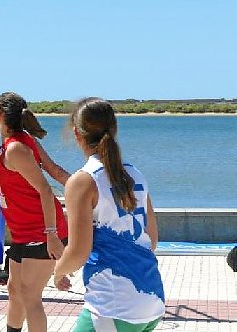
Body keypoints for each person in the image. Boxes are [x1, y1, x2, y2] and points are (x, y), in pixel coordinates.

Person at [53, 98, 165, 331]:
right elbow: (151, 240)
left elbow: (78, 252)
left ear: (77, 133)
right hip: (151, 298)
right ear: (114, 129)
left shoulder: (83, 181)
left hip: (112, 307)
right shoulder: (136, 175)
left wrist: (58, 271)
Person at [0, 92, 70, 332]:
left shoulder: (16, 148)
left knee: (30, 296)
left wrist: (52, 235)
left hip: (42, 230)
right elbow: (55, 170)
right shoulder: (20, 141)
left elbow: (46, 189)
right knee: (15, 290)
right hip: (22, 232)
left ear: (2, 115)